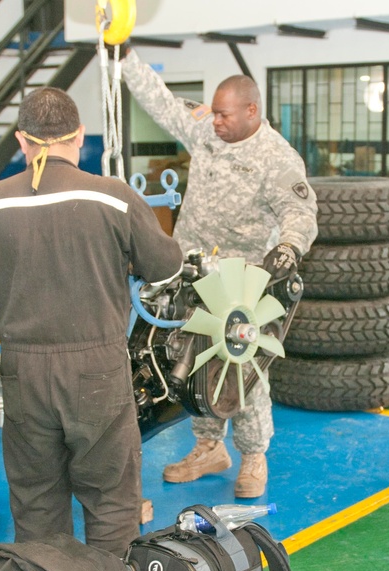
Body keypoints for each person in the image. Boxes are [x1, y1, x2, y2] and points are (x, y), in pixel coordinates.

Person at [0, 87, 183, 557]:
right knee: (111, 501)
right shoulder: (113, 198)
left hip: (23, 372)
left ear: (22, 141)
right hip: (97, 368)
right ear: (79, 136)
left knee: (36, 503)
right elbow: (167, 268)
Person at [121, 48, 318, 498]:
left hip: (243, 285)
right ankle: (209, 447)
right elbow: (163, 103)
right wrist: (126, 58)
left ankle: (253, 457)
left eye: (226, 115)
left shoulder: (276, 156)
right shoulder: (208, 132)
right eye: (214, 114)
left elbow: (299, 210)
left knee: (242, 369)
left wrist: (288, 247)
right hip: (192, 273)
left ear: (252, 111)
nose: (215, 122)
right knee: (190, 363)